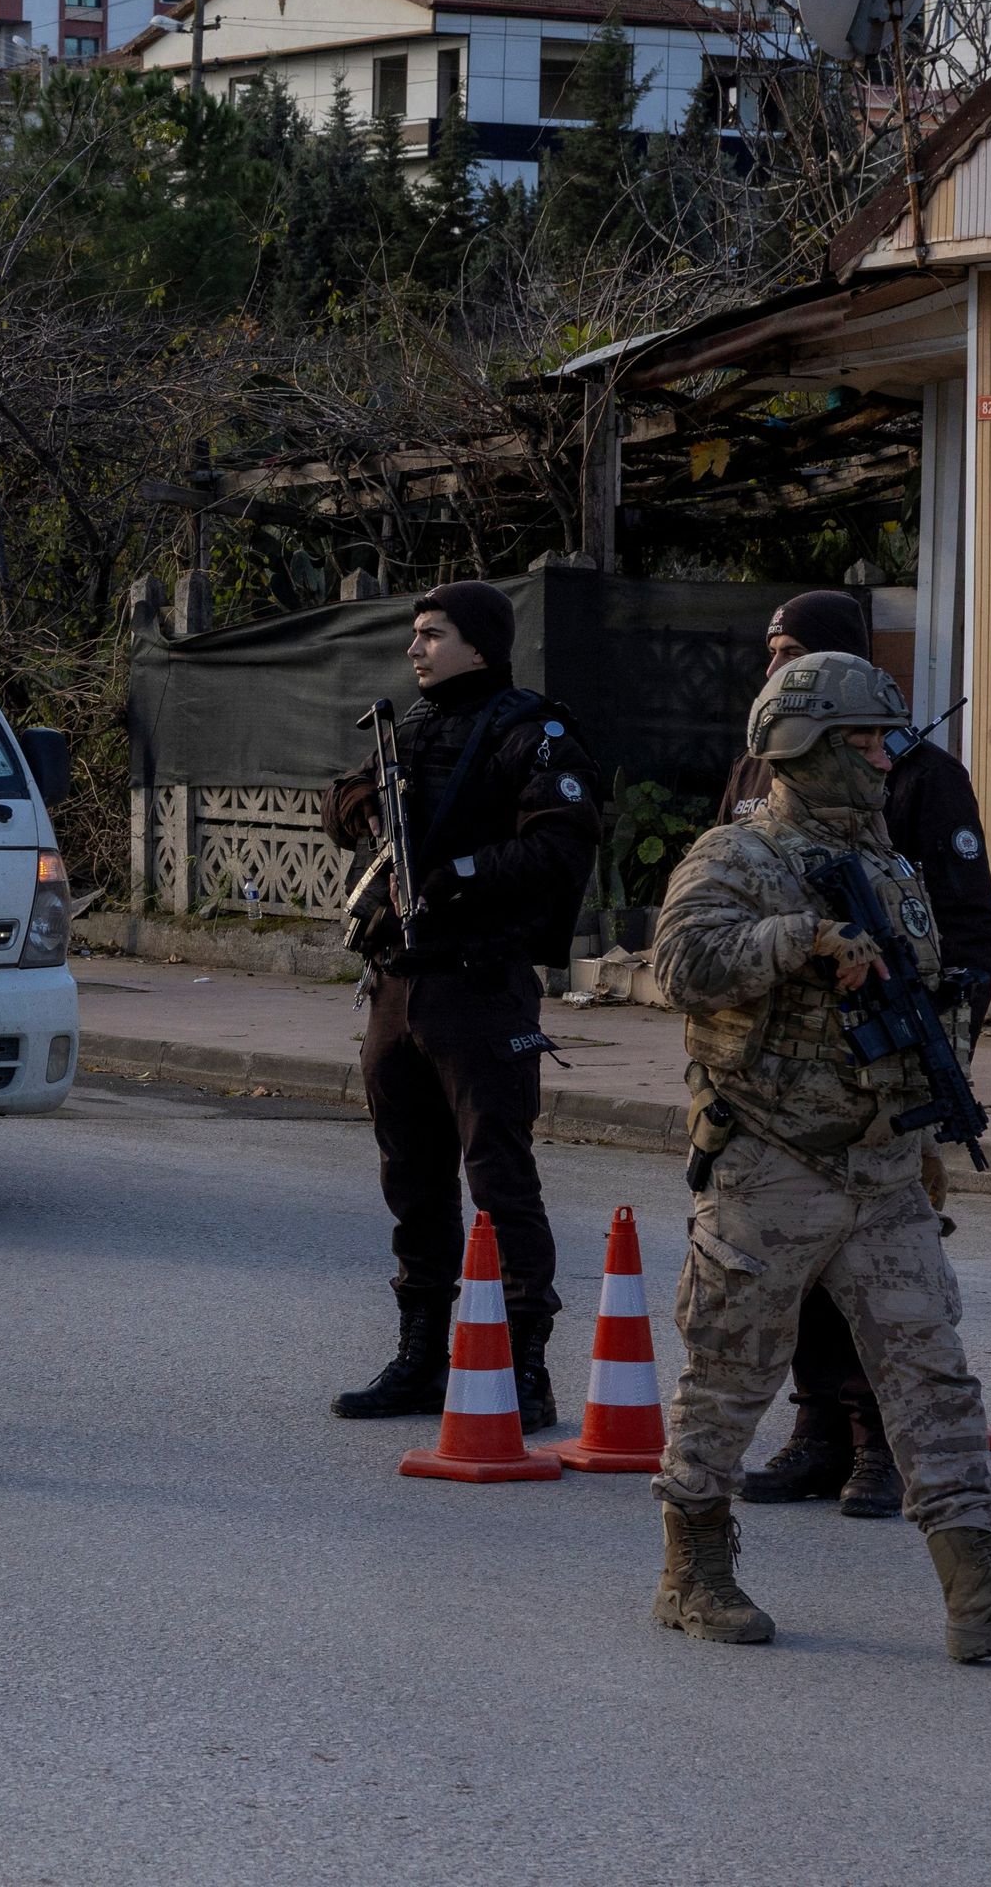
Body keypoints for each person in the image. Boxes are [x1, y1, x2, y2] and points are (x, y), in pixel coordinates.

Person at [646, 652, 991, 1662]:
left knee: (931, 1370)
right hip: (769, 1160)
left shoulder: (892, 865)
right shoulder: (738, 857)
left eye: (883, 738)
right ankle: (694, 1568)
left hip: (879, 1168)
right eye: (862, 740)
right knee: (731, 1373)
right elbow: (678, 965)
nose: (881, 756)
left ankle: (978, 1581)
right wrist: (799, 942)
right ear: (805, 749)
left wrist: (928, 1113)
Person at [714, 593, 991, 1519]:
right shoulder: (762, 770)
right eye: (769, 653)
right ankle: (816, 1433)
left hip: (886, 1079)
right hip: (780, 1085)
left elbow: (967, 938)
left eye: (790, 652)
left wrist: (935, 1059)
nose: (771, 670)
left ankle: (881, 1448)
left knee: (889, 1281)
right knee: (790, 1272)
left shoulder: (918, 776)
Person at [322, 582, 600, 1430]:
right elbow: (339, 803)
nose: (416, 650)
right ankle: (421, 1357)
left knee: (499, 1180)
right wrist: (358, 805)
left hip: (481, 984)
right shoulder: (406, 729)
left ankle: (525, 1366)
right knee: (412, 1182)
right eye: (414, 635)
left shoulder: (531, 732)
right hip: (401, 986)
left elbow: (560, 844)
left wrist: (460, 877)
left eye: (431, 635)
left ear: (478, 645)